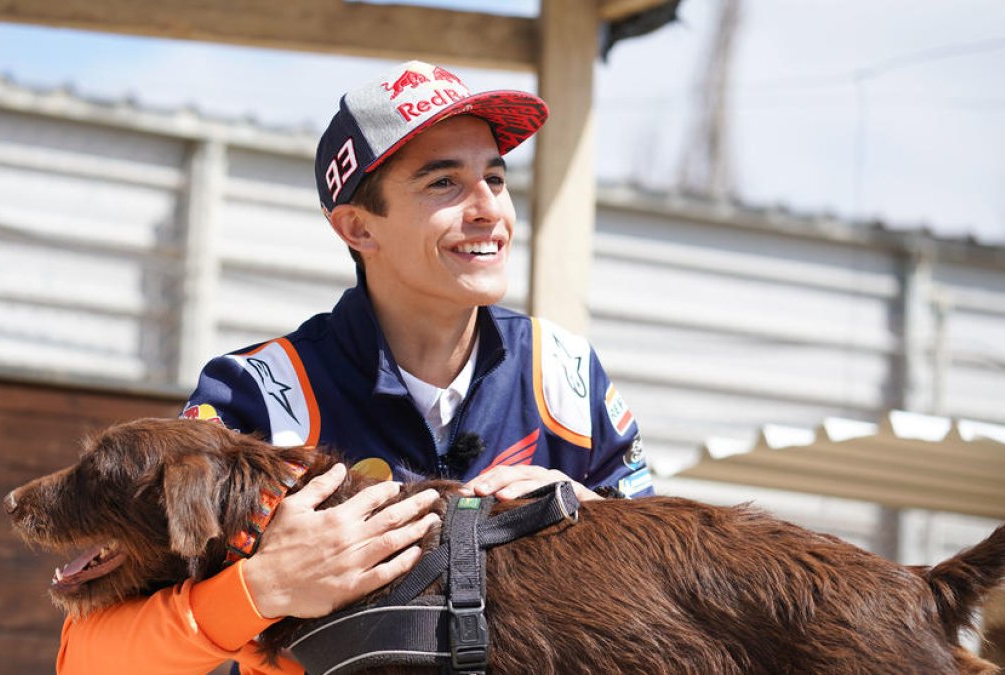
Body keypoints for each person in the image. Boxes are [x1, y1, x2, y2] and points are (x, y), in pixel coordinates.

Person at [56, 59, 653, 675]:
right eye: (444, 184)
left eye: (495, 179)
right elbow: (88, 658)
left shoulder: (566, 374)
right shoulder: (258, 397)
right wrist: (261, 589)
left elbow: (672, 589)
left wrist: (592, 518)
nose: (488, 211)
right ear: (358, 227)